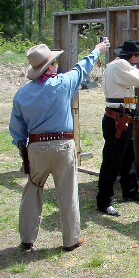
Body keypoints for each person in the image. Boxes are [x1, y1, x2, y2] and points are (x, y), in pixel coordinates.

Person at [9, 40, 109, 251]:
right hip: (63, 146)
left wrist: (23, 148)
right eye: (54, 62)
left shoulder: (22, 94)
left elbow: (17, 128)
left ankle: (27, 238)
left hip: (36, 147)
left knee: (33, 190)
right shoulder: (63, 82)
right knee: (67, 192)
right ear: (51, 66)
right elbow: (82, 67)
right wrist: (97, 50)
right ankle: (71, 239)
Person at [97, 40, 139, 217]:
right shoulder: (120, 65)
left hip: (123, 118)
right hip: (117, 119)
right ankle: (104, 201)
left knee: (128, 157)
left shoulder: (121, 66)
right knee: (112, 161)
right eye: (138, 57)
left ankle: (130, 191)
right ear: (133, 57)